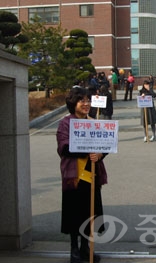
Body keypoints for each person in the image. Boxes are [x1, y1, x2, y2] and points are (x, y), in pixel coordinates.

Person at [56, 87, 108, 263]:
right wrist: (87, 151)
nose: (86, 104)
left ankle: (86, 248)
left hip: (92, 175)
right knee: (74, 214)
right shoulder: (65, 123)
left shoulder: (94, 121)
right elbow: (63, 147)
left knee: (90, 213)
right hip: (74, 176)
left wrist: (99, 154)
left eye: (88, 100)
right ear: (73, 103)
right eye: (82, 101)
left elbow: (105, 145)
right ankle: (74, 249)